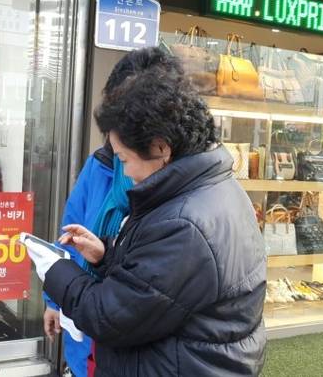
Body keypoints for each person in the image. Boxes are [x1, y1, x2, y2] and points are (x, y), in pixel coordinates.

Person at [30, 47, 267, 376]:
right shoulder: (207, 190)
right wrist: (106, 254)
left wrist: (54, 270)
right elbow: (156, 284)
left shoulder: (185, 222)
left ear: (160, 147)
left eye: (125, 159)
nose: (124, 173)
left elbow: (111, 315)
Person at [43, 142, 132, 377]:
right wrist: (54, 301)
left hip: (122, 322)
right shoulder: (100, 162)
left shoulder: (159, 182)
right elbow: (70, 235)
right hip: (83, 313)